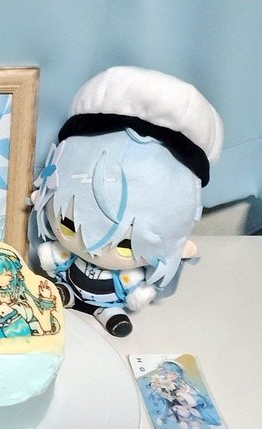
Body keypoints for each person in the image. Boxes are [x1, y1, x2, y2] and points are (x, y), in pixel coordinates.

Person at [32, 67, 223, 337]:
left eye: (125, 246)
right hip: (70, 286)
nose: (94, 251)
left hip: (110, 300)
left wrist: (141, 293)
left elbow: (142, 287)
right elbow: (53, 255)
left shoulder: (128, 275)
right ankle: (67, 295)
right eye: (68, 224)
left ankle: (109, 313)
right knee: (58, 293)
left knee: (109, 310)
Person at [0, 247, 60, 342]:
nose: (0, 279)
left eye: (6, 274)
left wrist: (46, 298)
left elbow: (45, 326)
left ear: (14, 274)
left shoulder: (23, 300)